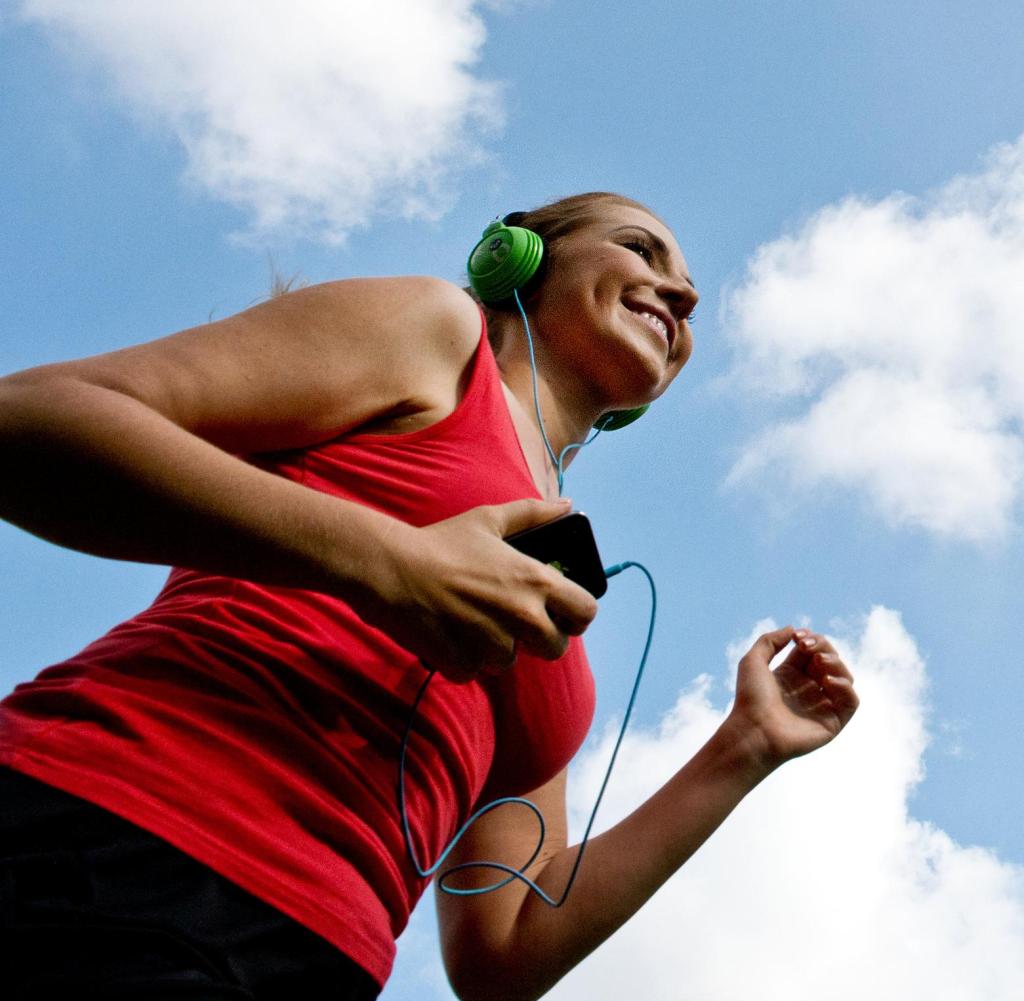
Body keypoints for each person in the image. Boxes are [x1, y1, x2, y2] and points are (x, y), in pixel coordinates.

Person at [0, 192, 859, 1000]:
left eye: (690, 295)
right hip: (112, 832)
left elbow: (502, 949)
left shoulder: (550, 588)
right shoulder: (435, 333)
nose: (681, 292)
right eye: (640, 248)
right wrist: (390, 563)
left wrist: (743, 746)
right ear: (516, 258)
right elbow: (33, 419)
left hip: (311, 959)